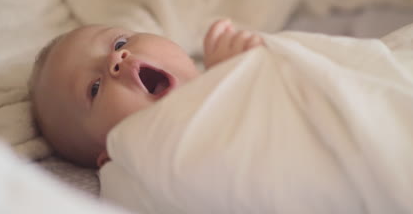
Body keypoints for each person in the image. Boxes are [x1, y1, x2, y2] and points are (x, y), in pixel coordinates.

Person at [29, 19, 264, 168]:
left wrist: (243, 69)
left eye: (120, 43)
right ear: (113, 155)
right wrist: (234, 85)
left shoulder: (238, 61)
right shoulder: (146, 179)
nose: (115, 58)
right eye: (95, 88)